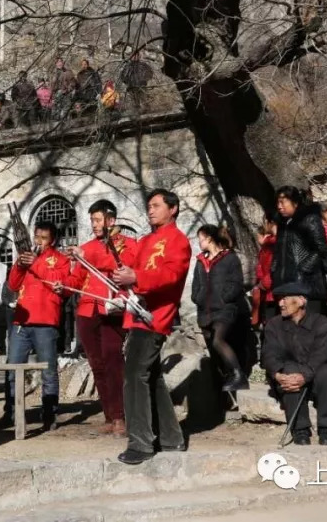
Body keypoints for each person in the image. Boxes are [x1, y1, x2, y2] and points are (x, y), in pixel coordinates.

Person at [111, 189, 192, 464]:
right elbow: (132, 270)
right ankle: (171, 438)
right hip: (137, 312)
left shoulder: (179, 241)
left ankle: (141, 443)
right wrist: (123, 277)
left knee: (134, 375)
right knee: (151, 377)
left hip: (155, 316)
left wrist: (137, 276)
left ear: (174, 208)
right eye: (149, 206)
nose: (151, 210)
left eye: (157, 205)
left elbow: (171, 275)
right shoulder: (146, 240)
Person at [65, 200, 137, 436]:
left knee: (113, 360)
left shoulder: (128, 244)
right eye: (92, 220)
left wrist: (86, 256)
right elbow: (77, 279)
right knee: (97, 363)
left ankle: (120, 416)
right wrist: (62, 286)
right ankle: (109, 414)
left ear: (111, 220)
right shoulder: (87, 247)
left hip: (112, 309)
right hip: (87, 309)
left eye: (97, 220)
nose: (94, 225)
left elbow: (120, 265)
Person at [0, 222, 70, 432]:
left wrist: (36, 264)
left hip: (46, 321)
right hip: (21, 320)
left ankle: (49, 414)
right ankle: (10, 412)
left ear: (53, 240)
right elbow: (12, 285)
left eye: (44, 238)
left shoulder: (61, 260)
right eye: (36, 236)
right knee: (12, 369)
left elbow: (61, 285)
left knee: (48, 371)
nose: (39, 241)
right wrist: (19, 265)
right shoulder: (26, 256)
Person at [260, 283, 327, 445]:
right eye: (280, 299)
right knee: (288, 370)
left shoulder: (321, 323)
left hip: (315, 373)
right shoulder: (274, 325)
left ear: (302, 301)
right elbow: (269, 354)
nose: (280, 303)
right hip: (289, 377)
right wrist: (277, 374)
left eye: (285, 299)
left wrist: (304, 375)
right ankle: (300, 429)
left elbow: (322, 355)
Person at [191, 224, 249, 391]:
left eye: (201, 238)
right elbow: (196, 284)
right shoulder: (201, 260)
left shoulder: (229, 258)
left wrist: (224, 298)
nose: (199, 242)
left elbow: (236, 283)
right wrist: (197, 297)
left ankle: (239, 375)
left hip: (225, 310)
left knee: (218, 340)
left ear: (209, 238)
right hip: (205, 311)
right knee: (213, 349)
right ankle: (223, 382)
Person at [271, 186, 327, 313]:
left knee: (308, 325)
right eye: (278, 203)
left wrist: (303, 269)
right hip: (283, 284)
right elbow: (278, 251)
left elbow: (321, 249)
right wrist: (274, 268)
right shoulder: (283, 224)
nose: (279, 206)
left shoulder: (309, 219)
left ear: (295, 203)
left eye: (283, 202)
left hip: (306, 284)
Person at [251, 218, 277, 327]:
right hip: (267, 290)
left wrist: (263, 284)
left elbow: (271, 268)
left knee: (272, 323)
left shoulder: (270, 247)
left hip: (270, 289)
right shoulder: (265, 248)